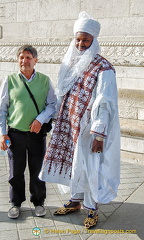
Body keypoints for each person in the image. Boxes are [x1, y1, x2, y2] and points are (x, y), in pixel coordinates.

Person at [39, 12, 120, 228]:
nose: (81, 43)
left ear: (93, 40)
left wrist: (99, 134)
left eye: (85, 39)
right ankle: (75, 201)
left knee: (90, 166)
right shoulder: (70, 63)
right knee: (74, 165)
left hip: (88, 130)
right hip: (69, 126)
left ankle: (92, 208)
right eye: (78, 39)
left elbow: (105, 103)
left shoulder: (103, 68)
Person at [0, 45, 57, 219]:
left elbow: (52, 105)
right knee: (15, 171)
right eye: (21, 57)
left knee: (37, 170)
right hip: (15, 135)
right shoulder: (9, 80)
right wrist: (2, 133)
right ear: (18, 60)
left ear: (35, 60)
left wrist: (40, 119)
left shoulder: (45, 81)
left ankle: (38, 202)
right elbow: (2, 109)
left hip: (37, 136)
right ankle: (15, 204)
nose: (25, 61)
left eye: (28, 57)